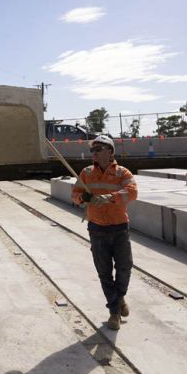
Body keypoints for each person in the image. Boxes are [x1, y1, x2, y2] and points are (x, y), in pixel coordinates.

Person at [71, 134, 138, 330]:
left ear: (110, 151)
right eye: (92, 150)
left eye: (98, 149)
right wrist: (82, 197)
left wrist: (110, 197)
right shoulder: (86, 173)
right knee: (104, 272)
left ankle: (120, 296)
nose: (94, 153)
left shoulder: (122, 173)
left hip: (119, 227)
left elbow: (133, 192)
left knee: (125, 266)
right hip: (97, 228)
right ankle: (114, 311)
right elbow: (74, 196)